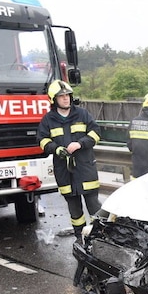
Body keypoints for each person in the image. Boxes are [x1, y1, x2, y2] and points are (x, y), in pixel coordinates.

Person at [37, 80, 102, 239]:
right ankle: (80, 238)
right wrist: (57, 149)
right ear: (54, 99)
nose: (66, 98)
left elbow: (96, 133)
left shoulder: (82, 114)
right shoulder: (48, 120)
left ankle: (100, 237)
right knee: (75, 210)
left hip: (85, 169)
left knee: (94, 208)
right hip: (64, 171)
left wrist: (80, 144)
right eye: (61, 96)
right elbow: (42, 140)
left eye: (67, 95)